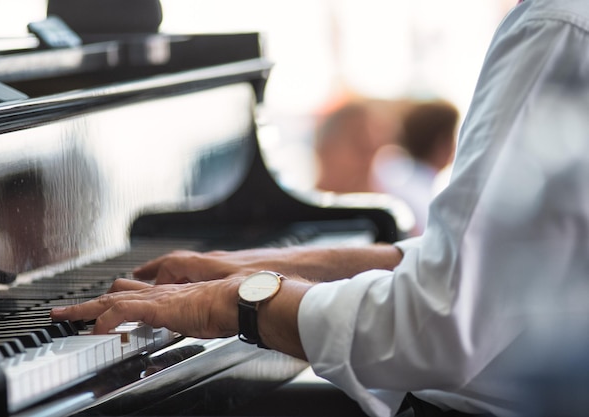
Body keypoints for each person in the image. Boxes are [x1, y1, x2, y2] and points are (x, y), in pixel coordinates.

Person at [51, 1, 589, 416]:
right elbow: (498, 271)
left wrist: (233, 301)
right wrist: (280, 267)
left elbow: (440, 322)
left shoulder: (557, 26)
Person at [371, 100, 459, 235]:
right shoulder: (421, 199)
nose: (456, 144)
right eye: (454, 135)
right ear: (442, 142)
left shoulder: (396, 178)